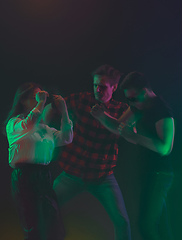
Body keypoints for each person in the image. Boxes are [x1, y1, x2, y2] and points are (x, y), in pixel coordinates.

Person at [43, 65, 131, 240]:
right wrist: (43, 132)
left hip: (102, 176)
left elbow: (126, 132)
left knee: (122, 221)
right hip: (72, 174)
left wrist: (103, 117)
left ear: (114, 87)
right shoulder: (82, 100)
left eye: (103, 86)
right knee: (45, 209)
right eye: (95, 85)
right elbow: (52, 107)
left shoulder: (122, 109)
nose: (98, 90)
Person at [91, 71, 175, 240]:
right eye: (128, 99)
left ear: (145, 92)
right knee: (159, 226)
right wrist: (102, 117)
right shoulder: (139, 106)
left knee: (147, 226)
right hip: (148, 172)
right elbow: (120, 127)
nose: (132, 103)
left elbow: (165, 147)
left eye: (134, 98)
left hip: (160, 174)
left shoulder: (161, 110)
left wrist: (134, 136)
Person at [5, 82, 73, 240]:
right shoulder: (14, 124)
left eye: (41, 96)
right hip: (24, 176)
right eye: (35, 97)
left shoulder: (45, 129)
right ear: (23, 100)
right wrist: (41, 102)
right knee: (32, 228)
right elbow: (29, 123)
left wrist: (64, 111)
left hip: (43, 177)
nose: (40, 99)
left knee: (55, 227)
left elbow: (66, 138)